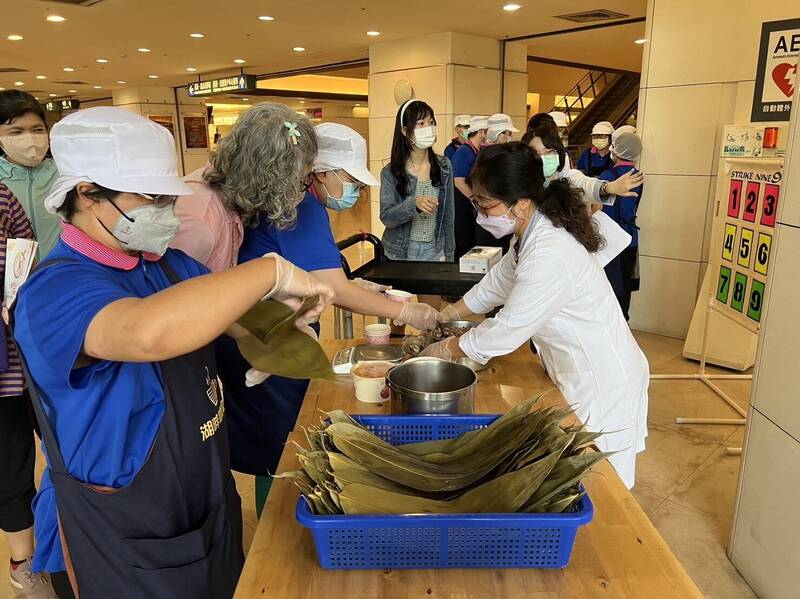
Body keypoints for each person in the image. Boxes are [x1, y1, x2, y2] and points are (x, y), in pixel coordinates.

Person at [11, 107, 334, 599]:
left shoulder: (170, 264)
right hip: (120, 520)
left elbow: (233, 324)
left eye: (167, 197)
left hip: (204, 495)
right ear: (86, 193)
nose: (165, 210)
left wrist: (280, 325)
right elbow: (146, 332)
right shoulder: (56, 288)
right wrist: (269, 271)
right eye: (150, 197)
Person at [225, 123, 439, 511]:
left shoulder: (300, 201)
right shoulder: (301, 206)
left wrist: (361, 287)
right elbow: (335, 289)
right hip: (266, 340)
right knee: (278, 448)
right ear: (321, 172)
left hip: (274, 331)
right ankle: (276, 536)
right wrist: (407, 310)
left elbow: (322, 277)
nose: (355, 192)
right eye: (351, 179)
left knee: (278, 442)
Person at [421, 142, 649, 490]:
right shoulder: (530, 231)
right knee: (579, 479)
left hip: (603, 380)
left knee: (604, 491)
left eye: (485, 202)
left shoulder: (550, 252)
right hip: (580, 370)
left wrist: (448, 349)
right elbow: (497, 283)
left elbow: (510, 327)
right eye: (477, 201)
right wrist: (448, 314)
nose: (480, 210)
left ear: (521, 203)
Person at [171, 102, 318, 272]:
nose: (297, 192)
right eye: (296, 183)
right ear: (267, 178)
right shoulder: (201, 219)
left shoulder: (233, 201)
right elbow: (173, 294)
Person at [0, 182, 57, 599]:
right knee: (10, 471)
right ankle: (24, 565)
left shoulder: (2, 195)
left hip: (27, 354)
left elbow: (27, 249)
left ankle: (72, 546)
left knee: (67, 451)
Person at [380, 99, 454, 264]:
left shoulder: (444, 166)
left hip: (434, 249)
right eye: (420, 123)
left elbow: (448, 215)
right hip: (400, 252)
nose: (428, 128)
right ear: (405, 131)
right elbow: (387, 218)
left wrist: (450, 254)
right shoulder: (390, 171)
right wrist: (414, 204)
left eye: (431, 122)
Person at [0, 91, 61, 259]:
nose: (30, 139)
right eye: (16, 132)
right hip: (12, 280)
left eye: (37, 130)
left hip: (62, 273)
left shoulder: (65, 172)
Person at [522, 124, 644, 206]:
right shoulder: (519, 181)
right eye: (537, 153)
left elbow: (584, 184)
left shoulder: (566, 177)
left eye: (550, 152)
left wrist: (607, 188)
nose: (544, 157)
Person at [600, 132, 644, 320]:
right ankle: (624, 322)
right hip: (630, 237)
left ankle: (611, 325)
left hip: (610, 238)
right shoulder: (639, 177)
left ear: (615, 151)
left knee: (609, 286)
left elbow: (598, 207)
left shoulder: (607, 176)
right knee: (625, 285)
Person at [451, 115, 488, 257]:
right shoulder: (463, 151)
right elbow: (459, 181)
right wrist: (475, 199)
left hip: (473, 204)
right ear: (481, 131)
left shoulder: (478, 150)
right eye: (485, 131)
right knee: (464, 242)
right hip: (463, 204)